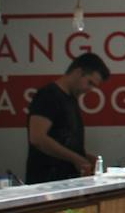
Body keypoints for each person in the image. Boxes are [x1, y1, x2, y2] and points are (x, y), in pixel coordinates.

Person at [25, 53, 111, 184]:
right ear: (78, 72)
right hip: (47, 183)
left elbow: (63, 140)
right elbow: (37, 138)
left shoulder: (71, 99)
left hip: (65, 182)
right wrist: (77, 159)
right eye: (90, 83)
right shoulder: (48, 95)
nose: (90, 89)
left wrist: (84, 157)